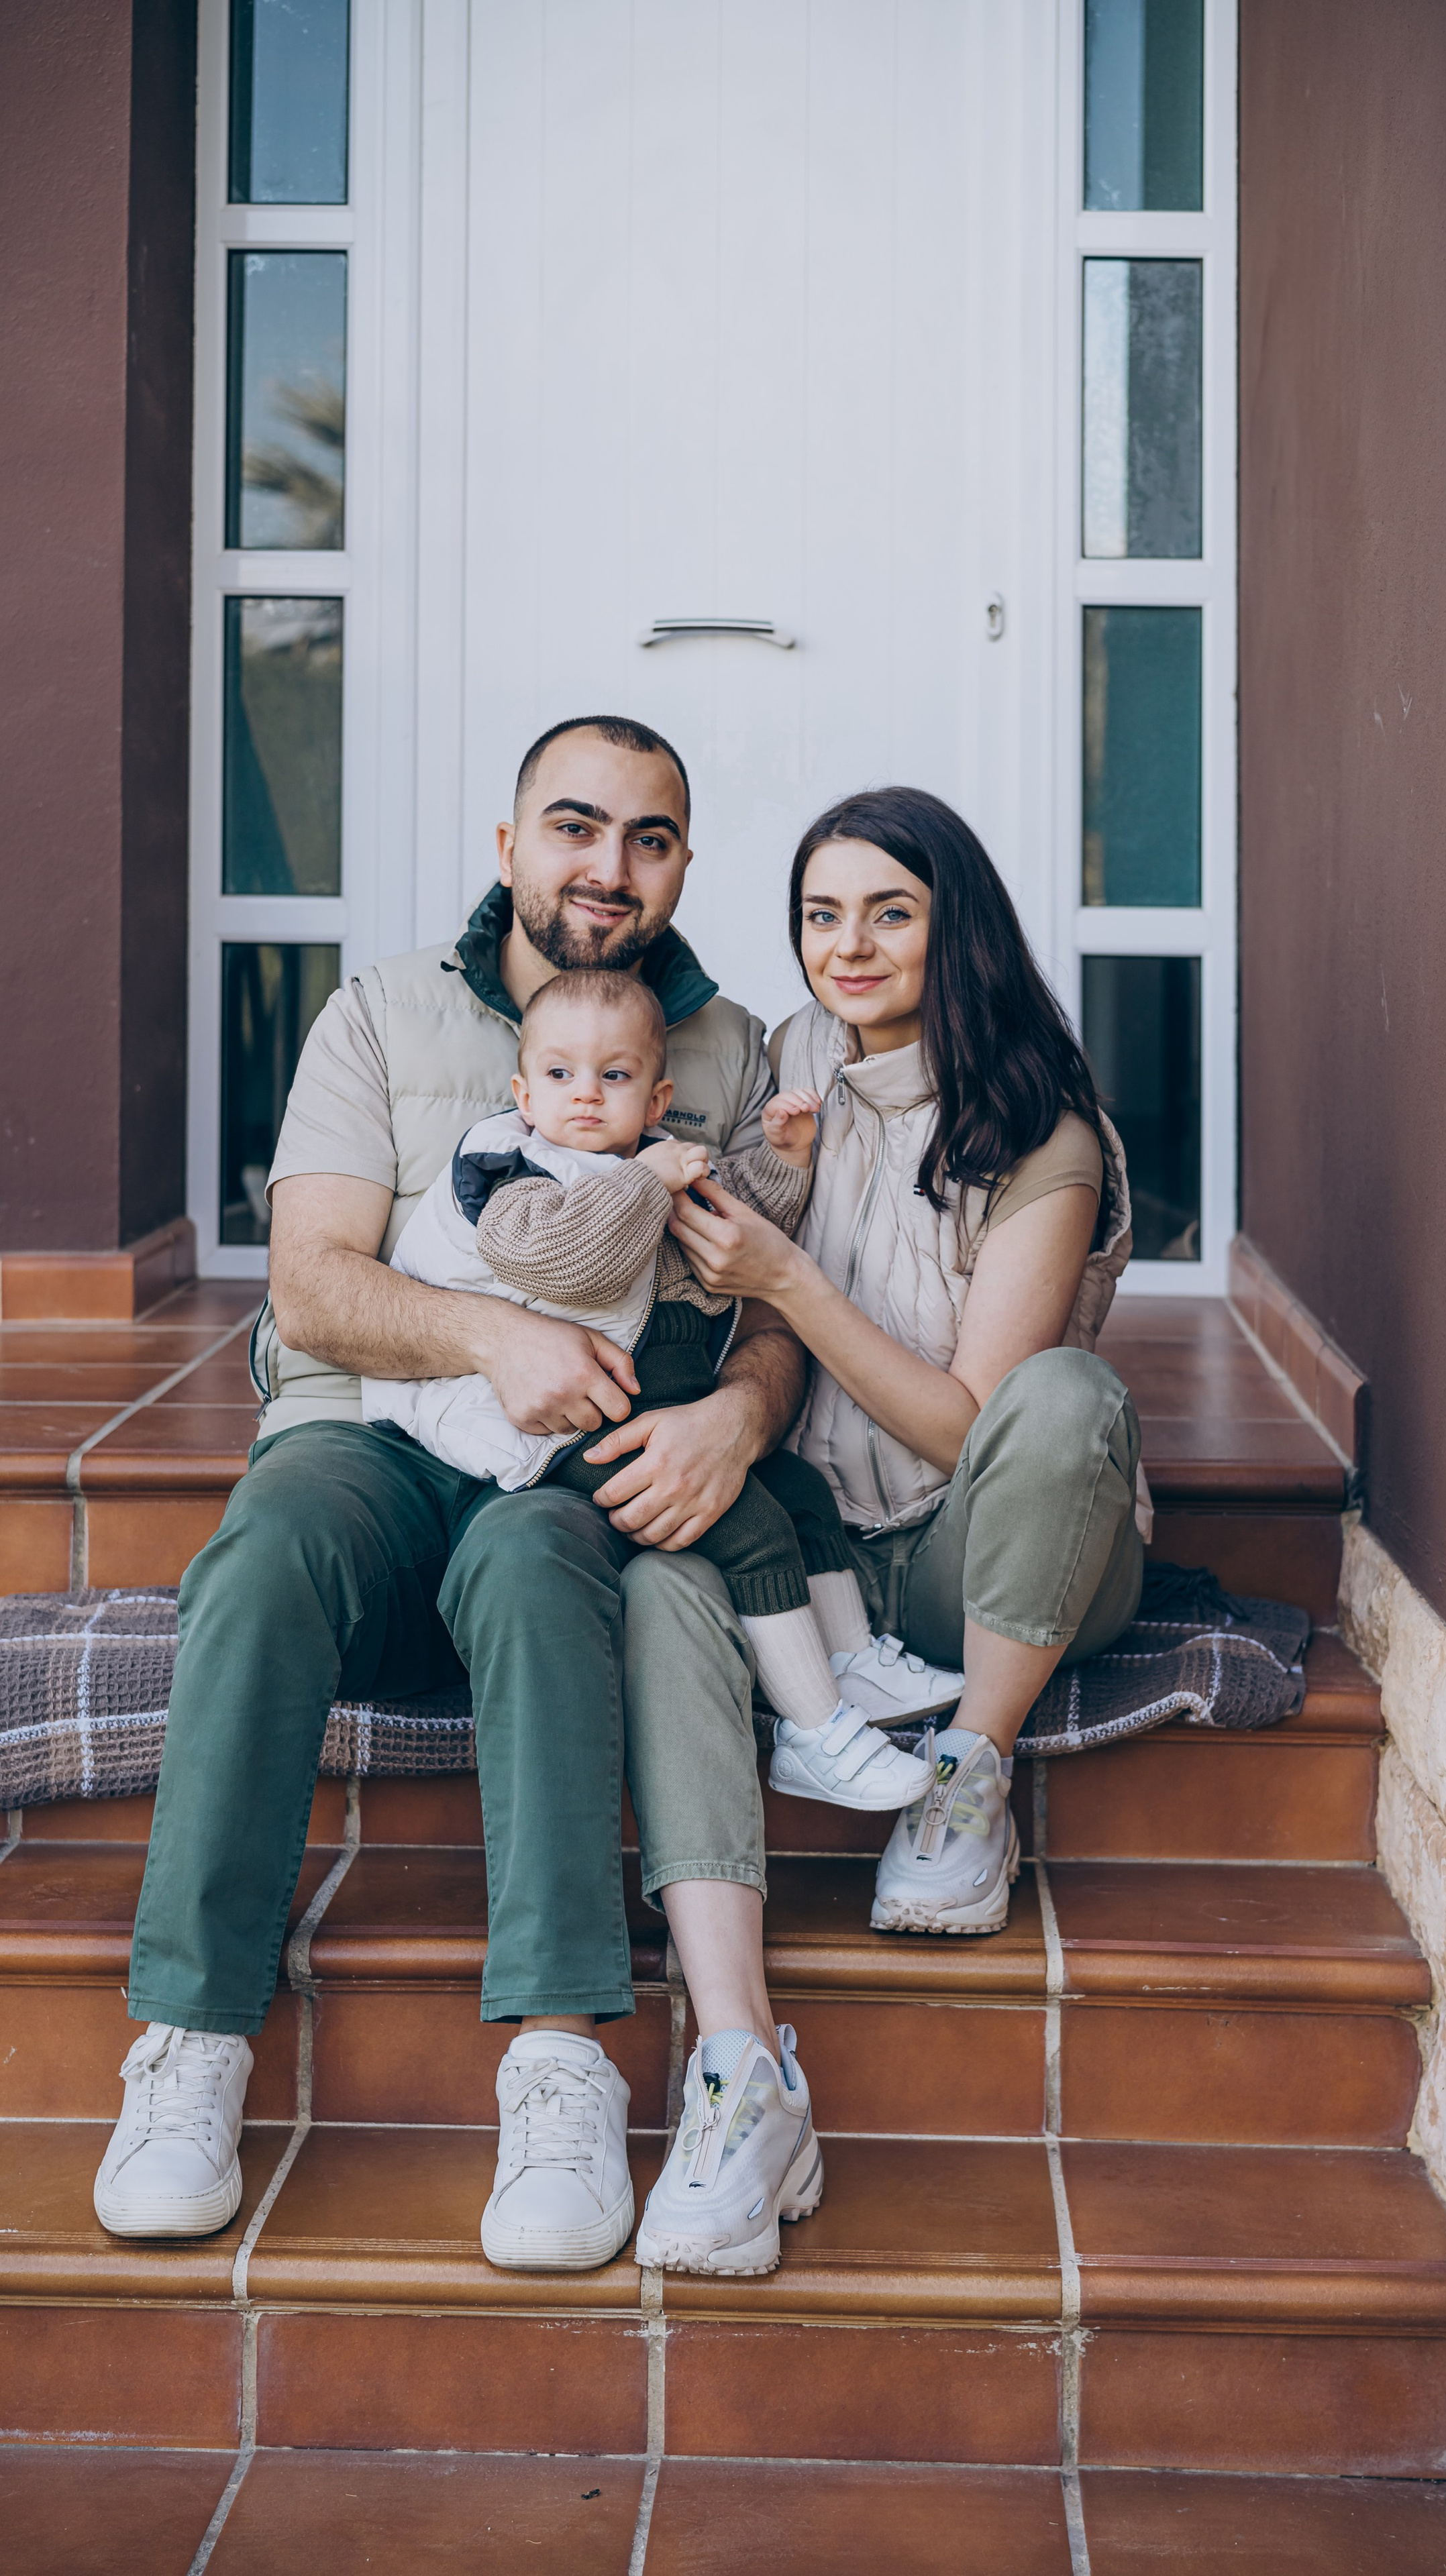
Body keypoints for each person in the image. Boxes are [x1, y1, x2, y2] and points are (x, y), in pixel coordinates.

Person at [95, 716, 938, 2281]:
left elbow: (772, 1295)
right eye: (573, 826)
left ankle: (557, 2060)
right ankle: (192, 2040)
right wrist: (498, 1330)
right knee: (265, 1547)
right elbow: (311, 1283)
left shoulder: (738, 1049)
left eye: (649, 838)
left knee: (550, 1571)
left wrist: (741, 1421)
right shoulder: (381, 1012)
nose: (606, 867)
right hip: (378, 1443)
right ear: (509, 846)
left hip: (570, 1474)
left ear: (685, 865)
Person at [654, 785, 1144, 1947]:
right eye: (822, 916)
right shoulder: (796, 1059)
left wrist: (785, 1278)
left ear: (955, 926)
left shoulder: (1043, 1134)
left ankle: (971, 1777)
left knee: (1067, 1396)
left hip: (979, 1555)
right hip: (821, 1554)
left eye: (890, 914)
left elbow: (971, 1429)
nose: (848, 949)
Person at [361, 965, 945, 1807]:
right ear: (524, 1092)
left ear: (657, 1096)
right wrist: (650, 1179)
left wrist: (782, 1160)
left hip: (664, 1404)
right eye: (560, 1075)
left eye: (615, 1076)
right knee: (746, 1527)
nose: (586, 1096)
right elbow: (569, 1263)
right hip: (570, 1424)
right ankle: (812, 1735)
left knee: (795, 1488)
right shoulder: (510, 1170)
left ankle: (850, 1665)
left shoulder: (646, 1164)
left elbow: (738, 1216)